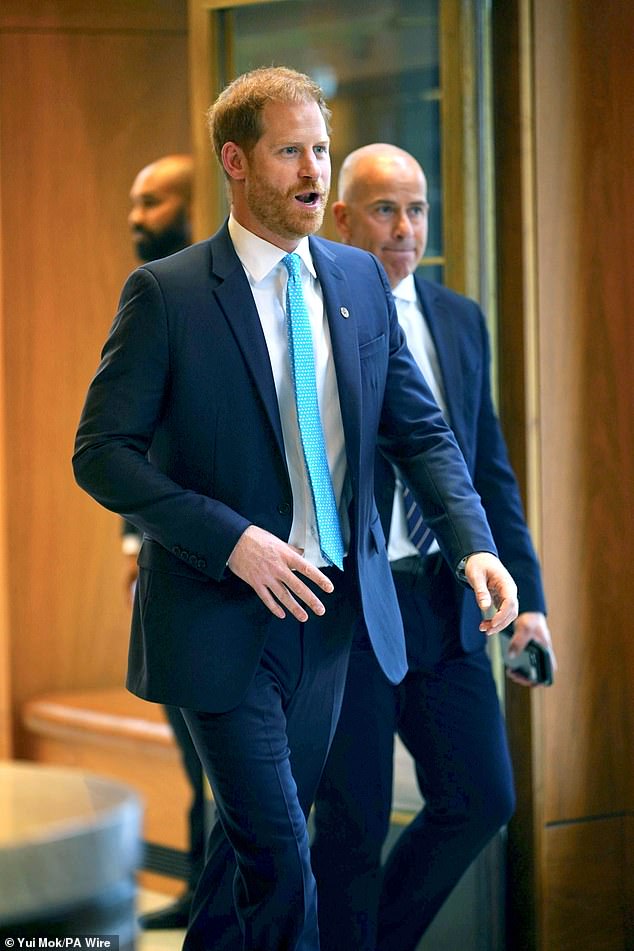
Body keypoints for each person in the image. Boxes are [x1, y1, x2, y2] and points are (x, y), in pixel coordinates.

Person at [73, 67, 519, 951]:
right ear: (237, 162)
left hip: (332, 620)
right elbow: (100, 454)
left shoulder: (357, 280)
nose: (314, 169)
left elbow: (421, 434)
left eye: (321, 148)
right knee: (281, 855)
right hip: (218, 615)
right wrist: (232, 540)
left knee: (244, 864)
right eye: (290, 151)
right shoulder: (168, 294)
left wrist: (474, 543)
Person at [310, 143, 556, 951]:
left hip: (448, 604)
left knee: (482, 796)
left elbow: (487, 470)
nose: (405, 227)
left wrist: (529, 600)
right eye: (385, 209)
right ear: (342, 218)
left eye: (418, 209)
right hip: (351, 604)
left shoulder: (458, 318)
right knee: (352, 827)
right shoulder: (316, 316)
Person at [123, 154, 205, 930]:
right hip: (173, 562)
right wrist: (131, 549)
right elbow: (125, 439)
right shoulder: (154, 294)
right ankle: (204, 883)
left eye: (153, 201)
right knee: (191, 741)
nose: (136, 216)